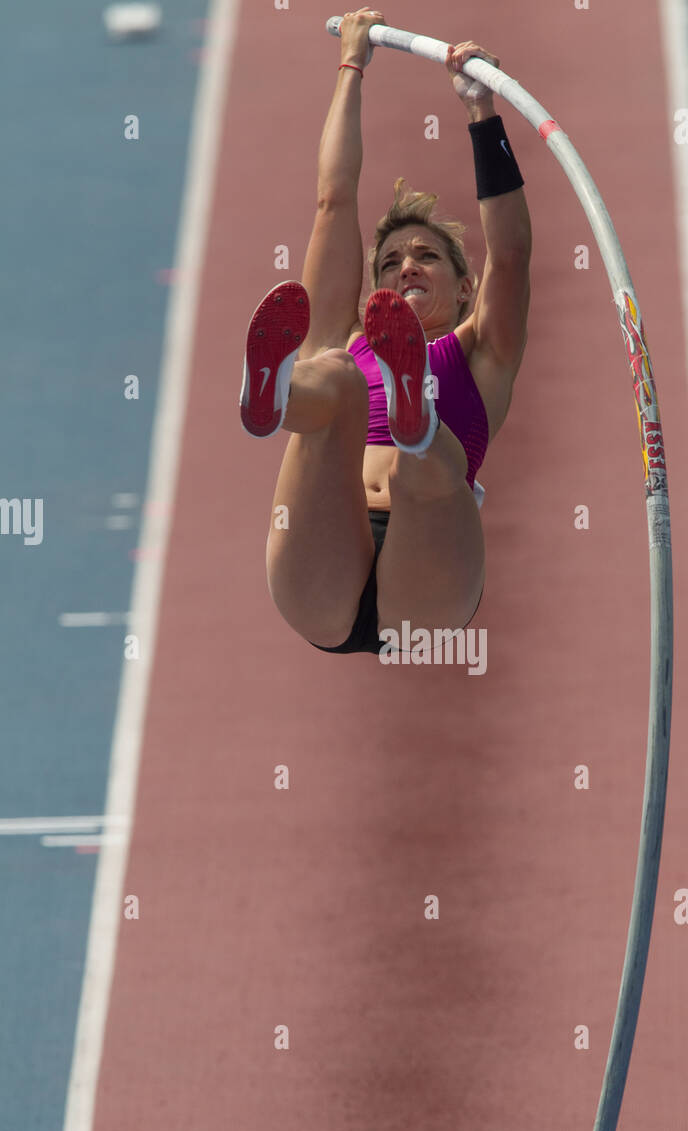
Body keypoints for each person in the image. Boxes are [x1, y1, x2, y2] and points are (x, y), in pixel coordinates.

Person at [239, 8, 531, 657]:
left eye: (427, 255)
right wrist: (351, 67)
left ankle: (415, 425)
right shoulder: (345, 337)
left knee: (429, 467)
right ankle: (274, 397)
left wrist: (481, 109)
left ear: (465, 288)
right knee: (337, 372)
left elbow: (509, 253)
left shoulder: (484, 356)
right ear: (375, 289)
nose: (406, 266)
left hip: (426, 596)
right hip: (323, 565)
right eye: (392, 261)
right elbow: (333, 198)